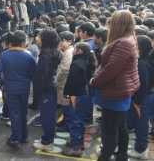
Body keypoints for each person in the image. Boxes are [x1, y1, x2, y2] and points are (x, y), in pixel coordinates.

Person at [91, 10, 140, 161]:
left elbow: (110, 70)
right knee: (120, 127)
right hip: (120, 90)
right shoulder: (127, 39)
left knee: (111, 132)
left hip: (115, 92)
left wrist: (94, 80)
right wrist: (98, 72)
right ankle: (122, 155)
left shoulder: (123, 43)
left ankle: (105, 157)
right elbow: (107, 66)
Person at [0, 31, 37, 149]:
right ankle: (24, 135)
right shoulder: (28, 55)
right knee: (23, 111)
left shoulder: (4, 55)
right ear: (23, 43)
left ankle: (15, 138)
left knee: (14, 113)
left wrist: (2, 83)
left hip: (10, 88)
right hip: (25, 88)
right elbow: (34, 73)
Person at [62, 42, 97, 157]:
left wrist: (65, 92)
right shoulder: (87, 61)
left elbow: (70, 80)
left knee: (74, 121)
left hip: (75, 95)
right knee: (80, 119)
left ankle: (75, 147)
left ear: (80, 51)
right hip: (83, 93)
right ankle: (79, 141)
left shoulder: (76, 63)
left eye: (75, 49)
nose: (72, 50)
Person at [32, 28, 61, 152]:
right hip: (51, 85)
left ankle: (47, 143)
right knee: (49, 116)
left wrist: (39, 94)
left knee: (47, 117)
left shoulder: (45, 56)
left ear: (45, 39)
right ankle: (46, 139)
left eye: (39, 36)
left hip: (46, 89)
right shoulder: (53, 51)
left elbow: (40, 77)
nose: (37, 38)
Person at [126, 36, 154, 160]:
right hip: (145, 96)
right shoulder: (146, 59)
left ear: (140, 47)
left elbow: (143, 83)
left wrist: (138, 100)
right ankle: (140, 146)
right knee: (139, 122)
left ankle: (141, 149)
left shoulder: (143, 63)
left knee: (141, 124)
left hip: (142, 98)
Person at [56, 31, 75, 133]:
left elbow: (65, 69)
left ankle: (67, 124)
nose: (60, 43)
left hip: (64, 82)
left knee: (66, 103)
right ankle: (65, 121)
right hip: (63, 81)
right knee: (64, 103)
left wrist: (57, 79)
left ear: (70, 42)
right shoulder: (66, 51)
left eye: (62, 41)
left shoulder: (69, 53)